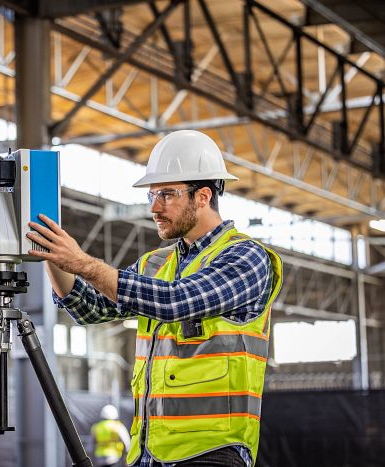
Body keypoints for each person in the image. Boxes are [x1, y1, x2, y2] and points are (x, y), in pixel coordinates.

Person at [26, 130, 283, 467]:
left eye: (166, 194)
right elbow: (89, 308)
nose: (154, 208)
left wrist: (81, 262)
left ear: (203, 196)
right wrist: (52, 253)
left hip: (212, 451)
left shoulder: (246, 257)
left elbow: (176, 301)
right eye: (152, 195)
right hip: (149, 452)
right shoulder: (155, 263)